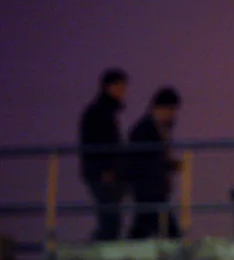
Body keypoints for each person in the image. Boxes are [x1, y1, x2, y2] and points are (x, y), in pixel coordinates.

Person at [78, 68, 128, 241]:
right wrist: (105, 170)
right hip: (104, 175)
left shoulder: (103, 111)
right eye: (120, 86)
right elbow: (96, 144)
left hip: (106, 174)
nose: (123, 91)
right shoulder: (100, 112)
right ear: (108, 87)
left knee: (110, 221)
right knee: (110, 223)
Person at [127, 86, 183, 239]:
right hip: (149, 187)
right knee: (165, 229)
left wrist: (169, 165)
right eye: (171, 109)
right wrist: (168, 165)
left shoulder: (157, 128)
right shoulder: (145, 129)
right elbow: (146, 159)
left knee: (144, 225)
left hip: (153, 187)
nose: (173, 114)